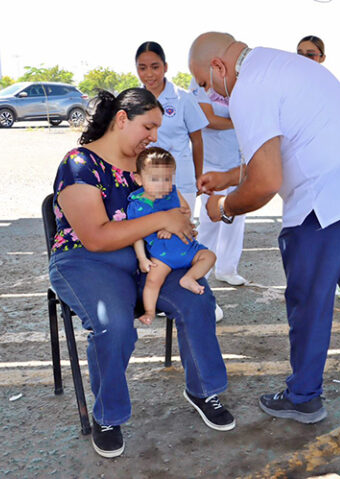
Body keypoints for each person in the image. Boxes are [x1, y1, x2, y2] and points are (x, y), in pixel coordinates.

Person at [188, 32, 340, 424]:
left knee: (310, 299)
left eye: (205, 83)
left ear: (218, 66)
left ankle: (304, 396)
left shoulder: (247, 89)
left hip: (327, 200)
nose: (210, 92)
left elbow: (266, 181)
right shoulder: (281, 65)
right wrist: (229, 177)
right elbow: (285, 147)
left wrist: (224, 207)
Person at [48, 89, 234, 459]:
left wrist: (180, 221)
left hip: (148, 260)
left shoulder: (145, 165)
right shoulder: (79, 164)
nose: (154, 136)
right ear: (122, 119)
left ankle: (202, 389)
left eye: (157, 129)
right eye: (148, 126)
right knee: (113, 325)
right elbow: (96, 237)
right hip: (86, 261)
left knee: (197, 299)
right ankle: (108, 415)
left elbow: (178, 212)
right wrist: (161, 218)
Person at [128, 147, 217, 325]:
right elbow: (135, 235)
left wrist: (171, 226)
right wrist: (142, 259)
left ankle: (189, 278)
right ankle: (149, 311)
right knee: (153, 281)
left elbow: (185, 212)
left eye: (167, 179)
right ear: (139, 179)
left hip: (188, 248)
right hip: (163, 256)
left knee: (209, 256)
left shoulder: (173, 193)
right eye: (155, 179)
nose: (162, 184)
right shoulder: (137, 205)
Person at [135, 41, 208, 211]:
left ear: (165, 67)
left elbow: (197, 141)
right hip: (145, 183)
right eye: (142, 68)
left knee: (182, 226)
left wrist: (198, 177)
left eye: (155, 67)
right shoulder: (133, 101)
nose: (149, 74)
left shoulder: (184, 99)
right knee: (148, 227)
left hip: (180, 180)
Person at [189, 78, 248, 286]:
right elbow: (207, 119)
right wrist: (238, 123)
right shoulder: (199, 81)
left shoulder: (237, 80)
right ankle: (200, 272)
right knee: (209, 219)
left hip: (237, 160)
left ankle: (227, 268)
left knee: (236, 215)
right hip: (211, 162)